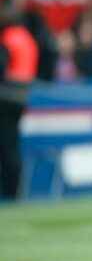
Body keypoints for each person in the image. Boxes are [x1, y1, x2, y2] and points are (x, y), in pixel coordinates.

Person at [0, 11, 38, 201]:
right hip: (22, 97)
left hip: (5, 97)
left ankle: (9, 191)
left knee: (7, 147)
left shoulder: (8, 38)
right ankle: (15, 190)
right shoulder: (28, 39)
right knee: (12, 145)